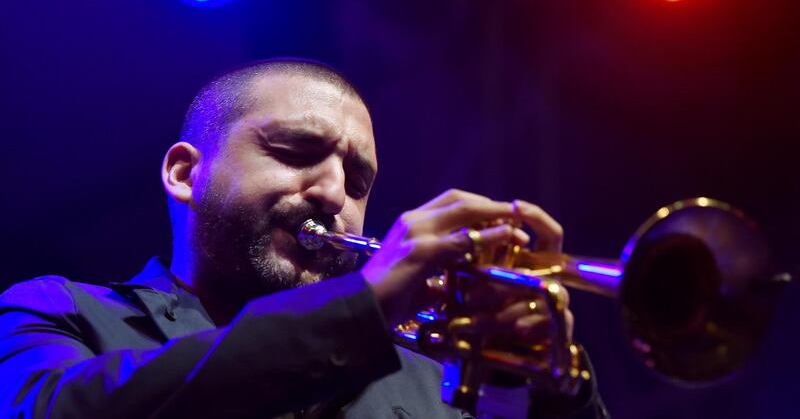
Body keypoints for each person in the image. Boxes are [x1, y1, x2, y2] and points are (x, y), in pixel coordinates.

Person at [0, 58, 608, 418]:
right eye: (295, 152)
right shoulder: (59, 313)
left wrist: (553, 389)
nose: (333, 193)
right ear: (186, 173)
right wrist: (362, 311)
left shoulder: (432, 381)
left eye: (359, 179)